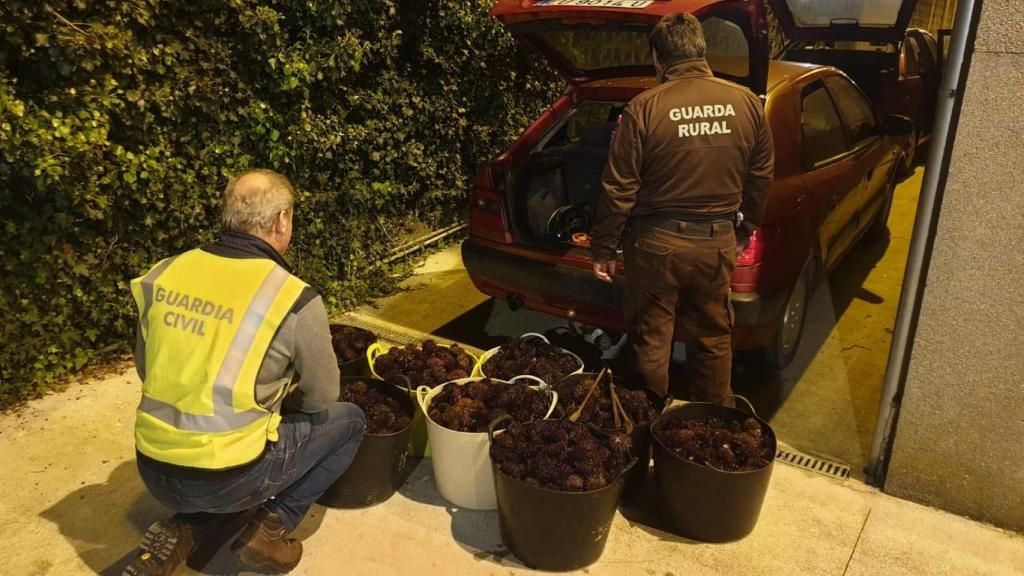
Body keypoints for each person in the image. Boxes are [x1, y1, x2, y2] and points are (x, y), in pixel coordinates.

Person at [123, 169, 366, 575]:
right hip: (229, 478)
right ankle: (272, 527)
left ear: (229, 216)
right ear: (281, 220)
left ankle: (187, 529)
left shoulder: (164, 273)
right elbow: (323, 397)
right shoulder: (291, 298)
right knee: (348, 421)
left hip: (152, 469)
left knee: (227, 463)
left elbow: (147, 370)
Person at [591, 13, 774, 403]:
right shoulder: (746, 104)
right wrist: (744, 231)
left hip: (656, 247)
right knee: (712, 340)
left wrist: (604, 248)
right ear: (701, 51)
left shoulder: (643, 109)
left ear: (659, 58)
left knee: (651, 340)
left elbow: (618, 188)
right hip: (716, 243)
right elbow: (760, 179)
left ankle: (648, 427)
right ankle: (708, 432)